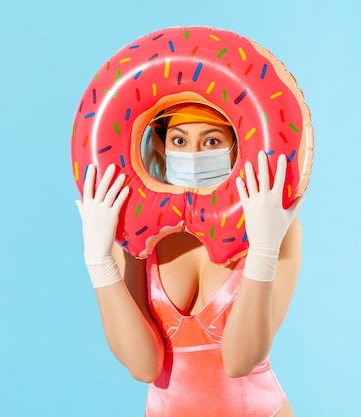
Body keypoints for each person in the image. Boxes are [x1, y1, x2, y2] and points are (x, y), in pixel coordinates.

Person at [76, 103, 304, 417]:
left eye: (212, 141)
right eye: (180, 141)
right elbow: (143, 366)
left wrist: (263, 247)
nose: (194, 155)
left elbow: (240, 360)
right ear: (162, 144)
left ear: (237, 144)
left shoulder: (278, 227)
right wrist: (98, 262)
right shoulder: (137, 232)